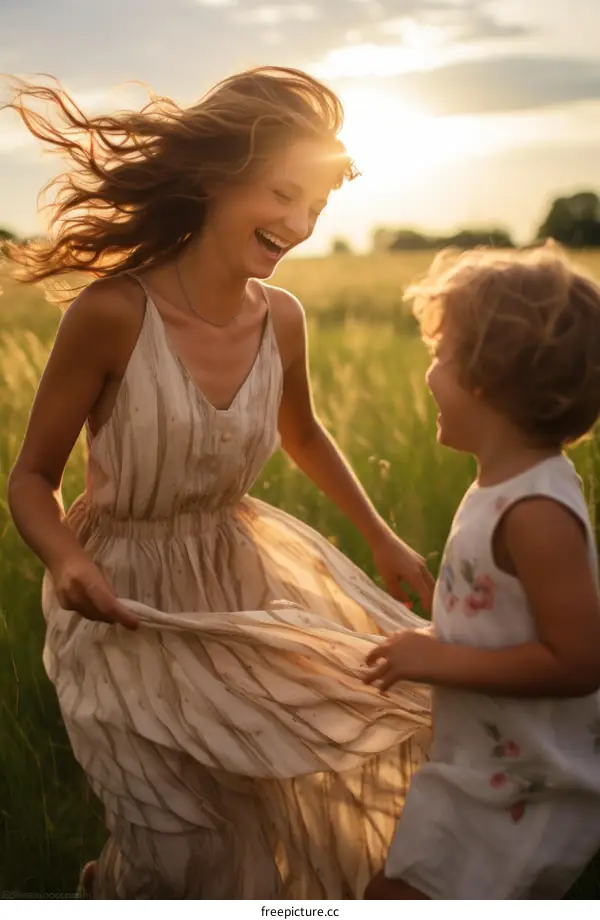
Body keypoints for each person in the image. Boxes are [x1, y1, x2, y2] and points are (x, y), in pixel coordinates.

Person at [4, 66, 434, 899]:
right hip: (127, 606)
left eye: (318, 206)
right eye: (282, 193)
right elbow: (29, 480)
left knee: (274, 804)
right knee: (171, 840)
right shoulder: (110, 315)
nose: (300, 225)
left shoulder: (282, 318)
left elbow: (302, 432)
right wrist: (65, 560)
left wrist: (379, 534)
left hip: (239, 586)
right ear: (211, 177)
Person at [362, 242, 600, 900]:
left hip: (525, 788)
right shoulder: (504, 485)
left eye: (441, 355)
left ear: (486, 377)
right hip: (486, 765)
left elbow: (580, 660)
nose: (429, 373)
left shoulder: (535, 512)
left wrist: (437, 660)